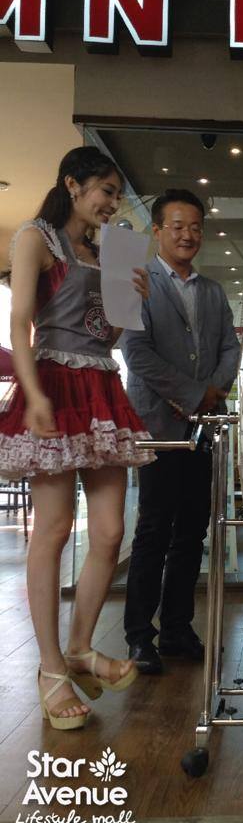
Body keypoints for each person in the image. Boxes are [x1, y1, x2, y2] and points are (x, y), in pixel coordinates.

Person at [0, 146, 155, 730]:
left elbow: (104, 335)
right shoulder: (34, 237)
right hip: (55, 382)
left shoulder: (104, 250)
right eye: (106, 191)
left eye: (116, 195)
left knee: (111, 531)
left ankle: (80, 648)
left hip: (101, 384)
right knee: (55, 527)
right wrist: (34, 393)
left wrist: (130, 298)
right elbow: (21, 321)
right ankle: (49, 669)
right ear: (73, 183)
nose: (113, 203)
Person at [121, 189, 240, 674]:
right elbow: (136, 353)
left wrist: (212, 393)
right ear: (157, 231)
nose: (188, 235)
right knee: (153, 529)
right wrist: (194, 395)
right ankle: (138, 636)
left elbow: (231, 348)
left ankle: (176, 628)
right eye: (177, 226)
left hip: (204, 430)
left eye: (195, 227)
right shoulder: (136, 281)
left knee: (193, 530)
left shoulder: (212, 291)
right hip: (158, 427)